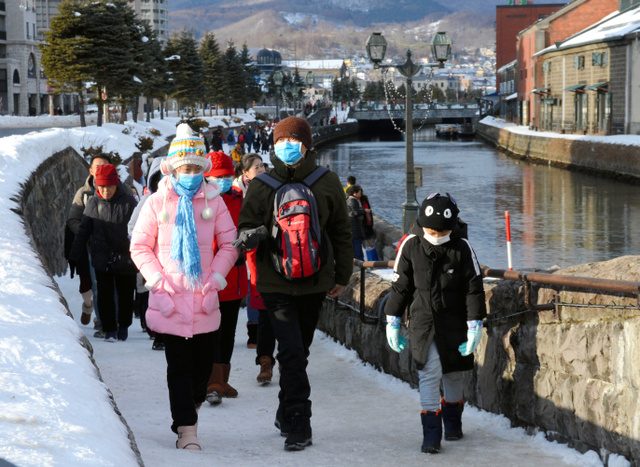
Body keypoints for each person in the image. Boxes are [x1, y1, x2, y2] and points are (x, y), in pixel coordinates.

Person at [236, 116, 352, 451]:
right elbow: (244, 228)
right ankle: (301, 422)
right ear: (273, 147)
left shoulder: (327, 183)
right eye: (280, 141)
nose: (286, 146)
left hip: (315, 283)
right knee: (290, 353)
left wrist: (342, 276)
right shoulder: (262, 185)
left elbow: (342, 232)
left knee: (298, 352)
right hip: (276, 284)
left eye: (293, 141)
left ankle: (286, 410)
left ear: (307, 145)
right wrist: (253, 235)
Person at [129, 123, 238, 450]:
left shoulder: (214, 201)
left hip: (205, 299)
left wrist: (216, 277)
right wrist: (157, 281)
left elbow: (230, 244)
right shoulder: (156, 203)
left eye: (194, 167)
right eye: (184, 167)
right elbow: (140, 246)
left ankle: (189, 410)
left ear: (202, 168)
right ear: (174, 168)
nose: (189, 173)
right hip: (170, 300)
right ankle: (187, 430)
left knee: (202, 370)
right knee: (178, 368)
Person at [383, 193, 486, 454]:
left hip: (455, 323)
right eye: (431, 230)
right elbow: (400, 288)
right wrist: (392, 319)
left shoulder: (462, 248)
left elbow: (474, 289)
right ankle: (431, 434)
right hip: (422, 323)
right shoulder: (410, 247)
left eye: (441, 231)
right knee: (429, 373)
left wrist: (475, 323)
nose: (436, 234)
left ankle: (453, 423)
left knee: (453, 373)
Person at [69, 163, 138, 342]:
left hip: (126, 256)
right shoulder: (93, 202)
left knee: (125, 294)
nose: (106, 191)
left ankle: (123, 326)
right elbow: (84, 230)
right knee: (105, 294)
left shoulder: (129, 201)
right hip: (102, 256)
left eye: (109, 187)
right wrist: (75, 254)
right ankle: (109, 329)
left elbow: (140, 227)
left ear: (116, 184)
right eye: (102, 187)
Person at [203, 151, 248, 405]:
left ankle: (221, 378)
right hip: (211, 277)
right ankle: (211, 381)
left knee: (229, 331)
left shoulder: (239, 199)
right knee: (211, 331)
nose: (224, 181)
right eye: (218, 177)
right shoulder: (201, 201)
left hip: (235, 276)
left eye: (227, 176)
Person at [66, 154, 111, 334]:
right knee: (95, 284)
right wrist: (87, 233)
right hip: (92, 248)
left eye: (104, 166)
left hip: (117, 246)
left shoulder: (122, 190)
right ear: (91, 170)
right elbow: (72, 219)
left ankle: (111, 321)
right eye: (97, 167)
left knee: (114, 285)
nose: (100, 170)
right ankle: (102, 321)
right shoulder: (83, 193)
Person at [128, 156, 166, 351]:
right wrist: (145, 246)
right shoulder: (147, 200)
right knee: (154, 295)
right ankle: (157, 333)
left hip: (172, 258)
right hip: (153, 258)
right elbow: (133, 226)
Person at [232, 153, 266, 346]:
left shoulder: (268, 186)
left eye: (262, 166)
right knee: (252, 286)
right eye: (257, 167)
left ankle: (261, 329)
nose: (261, 170)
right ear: (245, 173)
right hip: (244, 245)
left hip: (262, 242)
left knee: (258, 285)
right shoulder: (237, 191)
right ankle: (254, 331)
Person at [346, 185, 365, 261]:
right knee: (358, 251)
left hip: (352, 229)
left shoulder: (349, 199)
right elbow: (354, 213)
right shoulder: (353, 201)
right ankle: (361, 268)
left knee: (355, 250)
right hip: (355, 230)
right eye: (360, 192)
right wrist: (364, 211)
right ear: (354, 193)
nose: (361, 194)